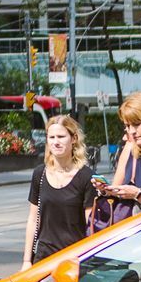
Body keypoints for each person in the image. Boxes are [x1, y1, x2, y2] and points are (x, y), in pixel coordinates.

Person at [23, 115, 96, 268]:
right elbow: (33, 219)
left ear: (74, 138)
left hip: (74, 258)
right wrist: (27, 261)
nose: (56, 142)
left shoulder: (86, 176)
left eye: (61, 137)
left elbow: (91, 224)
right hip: (43, 258)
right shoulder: (39, 174)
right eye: (51, 137)